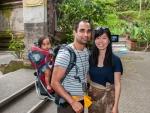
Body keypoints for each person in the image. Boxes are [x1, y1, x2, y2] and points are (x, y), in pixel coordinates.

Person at [51, 20, 92, 113]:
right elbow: (54, 82)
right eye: (82, 30)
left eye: (88, 31)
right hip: (68, 104)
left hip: (83, 100)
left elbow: (85, 75)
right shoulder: (66, 53)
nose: (86, 34)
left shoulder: (86, 52)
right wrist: (73, 102)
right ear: (74, 32)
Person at [88, 27, 123, 113]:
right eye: (98, 38)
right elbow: (87, 79)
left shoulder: (115, 60)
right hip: (93, 100)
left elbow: (117, 85)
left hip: (109, 101)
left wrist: (115, 106)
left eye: (104, 38)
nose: (100, 41)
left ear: (109, 40)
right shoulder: (90, 58)